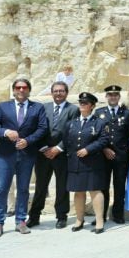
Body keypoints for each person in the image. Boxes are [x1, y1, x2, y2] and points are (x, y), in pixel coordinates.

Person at [0, 78, 49, 238]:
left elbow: (43, 128)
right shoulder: (3, 106)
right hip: (5, 155)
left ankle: (21, 221)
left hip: (27, 155)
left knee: (23, 189)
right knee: (1, 189)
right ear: (14, 90)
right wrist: (5, 132)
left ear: (29, 90)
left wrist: (28, 141)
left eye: (24, 87)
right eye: (18, 87)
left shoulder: (38, 107)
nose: (21, 90)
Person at [27, 81, 79, 229]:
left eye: (61, 91)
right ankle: (34, 216)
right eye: (55, 91)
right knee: (40, 187)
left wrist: (58, 148)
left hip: (62, 154)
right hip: (43, 154)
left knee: (62, 186)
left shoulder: (73, 109)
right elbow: (38, 128)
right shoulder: (44, 108)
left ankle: (61, 216)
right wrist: (43, 148)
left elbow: (72, 133)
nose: (58, 93)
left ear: (66, 93)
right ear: (51, 93)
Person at [65, 92, 109, 234]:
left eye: (85, 103)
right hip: (75, 162)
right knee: (78, 192)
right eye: (81, 103)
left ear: (92, 106)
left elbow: (103, 140)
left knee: (95, 191)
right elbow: (67, 140)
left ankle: (100, 221)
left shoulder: (99, 123)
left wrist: (88, 149)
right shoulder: (72, 123)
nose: (82, 105)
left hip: (92, 163)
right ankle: (79, 220)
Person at [95, 85, 129, 224]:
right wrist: (105, 148)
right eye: (110, 95)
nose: (113, 97)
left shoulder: (127, 113)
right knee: (103, 186)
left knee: (119, 187)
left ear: (119, 97)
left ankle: (118, 214)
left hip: (121, 156)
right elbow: (96, 135)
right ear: (106, 97)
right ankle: (102, 215)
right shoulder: (99, 112)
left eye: (115, 95)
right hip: (103, 156)